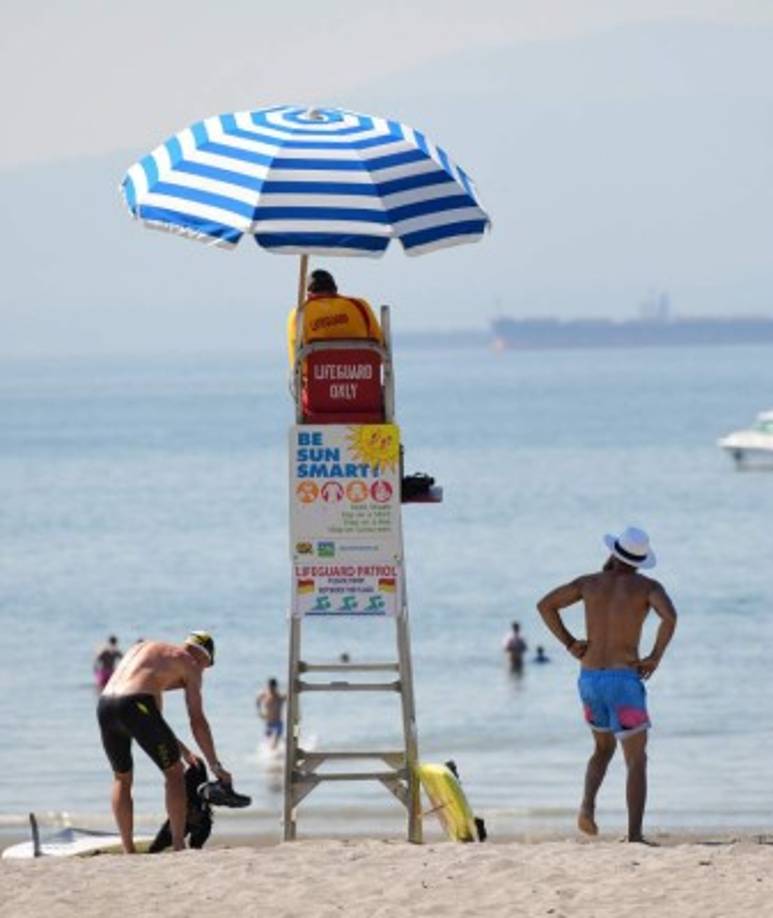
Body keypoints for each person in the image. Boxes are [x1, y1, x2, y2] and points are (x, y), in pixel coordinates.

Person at [536, 526, 677, 844]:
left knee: (602, 749)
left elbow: (545, 605)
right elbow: (670, 617)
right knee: (636, 760)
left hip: (590, 679)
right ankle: (634, 835)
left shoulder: (589, 583)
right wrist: (654, 657)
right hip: (623, 681)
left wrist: (570, 643)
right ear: (639, 560)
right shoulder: (648, 587)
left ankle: (587, 807)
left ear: (614, 552)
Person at [96, 632, 233, 853]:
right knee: (175, 773)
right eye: (207, 666)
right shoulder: (190, 663)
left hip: (105, 706)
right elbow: (197, 720)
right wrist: (215, 766)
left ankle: (128, 850)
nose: (203, 671)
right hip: (135, 705)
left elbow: (154, 723)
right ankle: (178, 845)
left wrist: (184, 751)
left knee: (122, 778)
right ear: (203, 656)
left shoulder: (151, 654)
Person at [286, 268, 382, 367]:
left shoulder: (299, 314)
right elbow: (380, 349)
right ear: (335, 289)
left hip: (318, 376)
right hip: (362, 374)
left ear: (309, 294)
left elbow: (296, 364)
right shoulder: (360, 306)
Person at [256, 678, 286, 748]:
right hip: (269, 723)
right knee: (267, 742)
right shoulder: (264, 695)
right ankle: (273, 753)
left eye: (273, 688)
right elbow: (257, 700)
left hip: (278, 723)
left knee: (275, 742)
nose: (271, 690)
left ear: (276, 687)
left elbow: (290, 696)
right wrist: (260, 712)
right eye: (269, 688)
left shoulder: (280, 697)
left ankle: (282, 746)